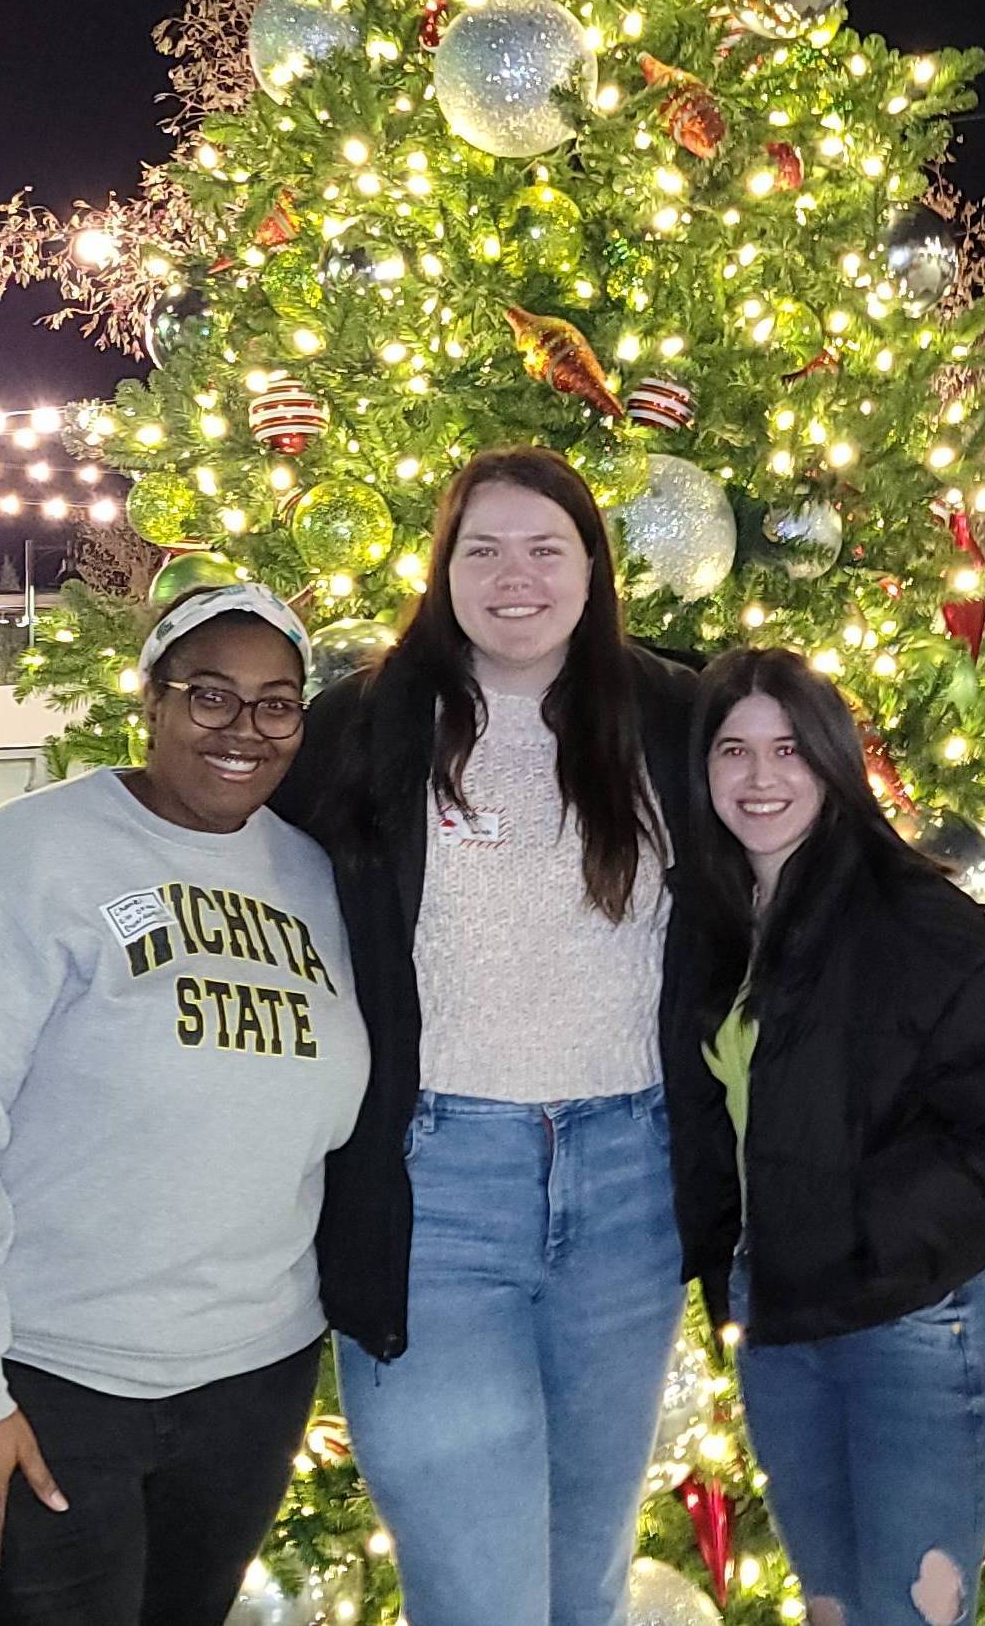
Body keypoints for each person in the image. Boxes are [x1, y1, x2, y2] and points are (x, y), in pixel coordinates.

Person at [0, 584, 368, 1621]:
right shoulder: (28, 859)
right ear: (153, 698)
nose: (243, 729)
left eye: (276, 703)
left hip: (245, 1386)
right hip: (39, 1379)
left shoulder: (315, 878)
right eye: (209, 694)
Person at [270, 446, 696, 1626]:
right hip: (435, 1190)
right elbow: (228, 858)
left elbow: (800, 836)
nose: (516, 575)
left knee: (584, 1576)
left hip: (629, 1189)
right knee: (478, 1591)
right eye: (484, 547)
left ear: (593, 567)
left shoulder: (670, 711)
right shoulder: (363, 721)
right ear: (443, 564)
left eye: (546, 546)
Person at [666, 649, 985, 1626]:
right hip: (772, 1319)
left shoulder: (910, 917)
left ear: (832, 761)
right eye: (732, 749)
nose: (760, 776)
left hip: (908, 1330)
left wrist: (865, 1234)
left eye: (787, 748)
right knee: (831, 1608)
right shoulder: (712, 924)